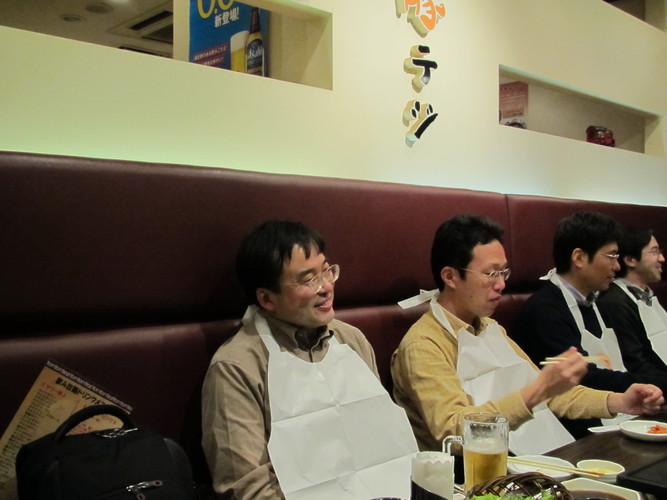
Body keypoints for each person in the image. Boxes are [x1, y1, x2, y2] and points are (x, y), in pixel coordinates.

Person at [391, 214, 663, 458]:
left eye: (503, 272)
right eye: (491, 273)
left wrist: (620, 401)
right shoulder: (424, 344)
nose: (501, 284)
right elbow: (454, 431)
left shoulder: (489, 327)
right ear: (450, 276)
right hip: (471, 476)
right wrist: (537, 389)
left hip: (532, 459)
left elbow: (553, 396)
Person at [201, 220, 417, 500]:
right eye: (308, 280)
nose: (326, 287)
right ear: (267, 299)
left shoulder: (351, 340)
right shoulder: (236, 366)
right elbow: (247, 489)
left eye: (326, 271)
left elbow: (386, 438)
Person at [597, 226, 667, 393]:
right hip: (648, 390)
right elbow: (635, 364)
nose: (662, 258)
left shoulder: (646, 295)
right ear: (630, 259)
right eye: (655, 252)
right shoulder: (615, 303)